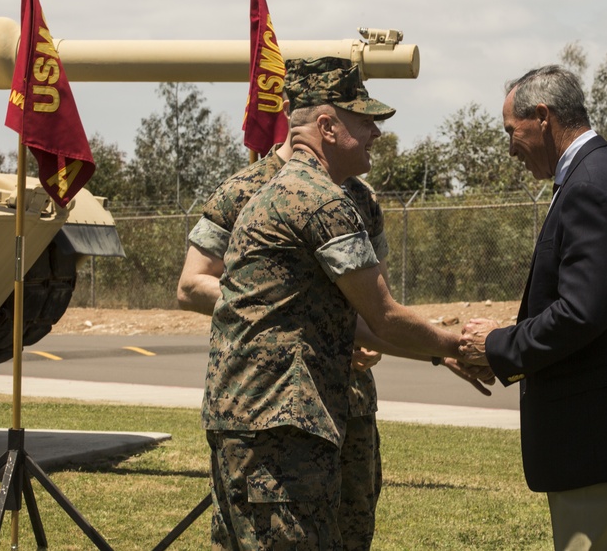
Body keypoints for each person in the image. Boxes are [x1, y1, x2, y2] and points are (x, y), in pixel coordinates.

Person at [200, 57, 491, 550]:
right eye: (365, 121)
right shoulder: (320, 201)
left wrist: (438, 350)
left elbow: (347, 317)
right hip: (281, 429)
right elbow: (384, 315)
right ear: (327, 127)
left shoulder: (282, 193)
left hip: (252, 426)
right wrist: (459, 344)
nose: (376, 133)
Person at [458, 64, 607, 551]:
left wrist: (498, 344)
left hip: (596, 435)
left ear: (542, 117)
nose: (510, 148)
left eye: (512, 131)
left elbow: (581, 313)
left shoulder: (587, 185)